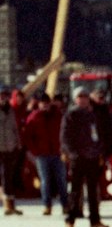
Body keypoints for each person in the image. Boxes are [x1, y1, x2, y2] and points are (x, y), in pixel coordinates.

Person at [61, 88, 108, 227]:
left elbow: (99, 133)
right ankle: (70, 219)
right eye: (80, 97)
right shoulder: (71, 114)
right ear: (75, 99)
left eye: (85, 96)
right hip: (78, 156)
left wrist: (100, 151)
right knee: (75, 190)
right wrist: (71, 152)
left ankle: (95, 220)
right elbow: (65, 136)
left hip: (92, 156)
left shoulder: (93, 114)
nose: (83, 99)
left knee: (93, 190)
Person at [23, 92, 69, 216]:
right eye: (42, 102)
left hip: (58, 153)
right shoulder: (34, 117)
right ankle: (47, 205)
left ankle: (65, 205)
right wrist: (35, 151)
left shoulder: (58, 115)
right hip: (42, 154)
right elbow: (27, 136)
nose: (45, 105)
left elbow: (65, 132)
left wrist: (64, 148)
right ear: (39, 104)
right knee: (45, 181)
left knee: (62, 180)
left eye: (46, 102)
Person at [0, 85, 23, 215]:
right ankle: (7, 203)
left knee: (9, 176)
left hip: (10, 147)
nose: (3, 98)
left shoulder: (11, 110)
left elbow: (15, 128)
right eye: (1, 96)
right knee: (4, 176)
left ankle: (10, 205)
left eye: (5, 95)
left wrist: (18, 143)